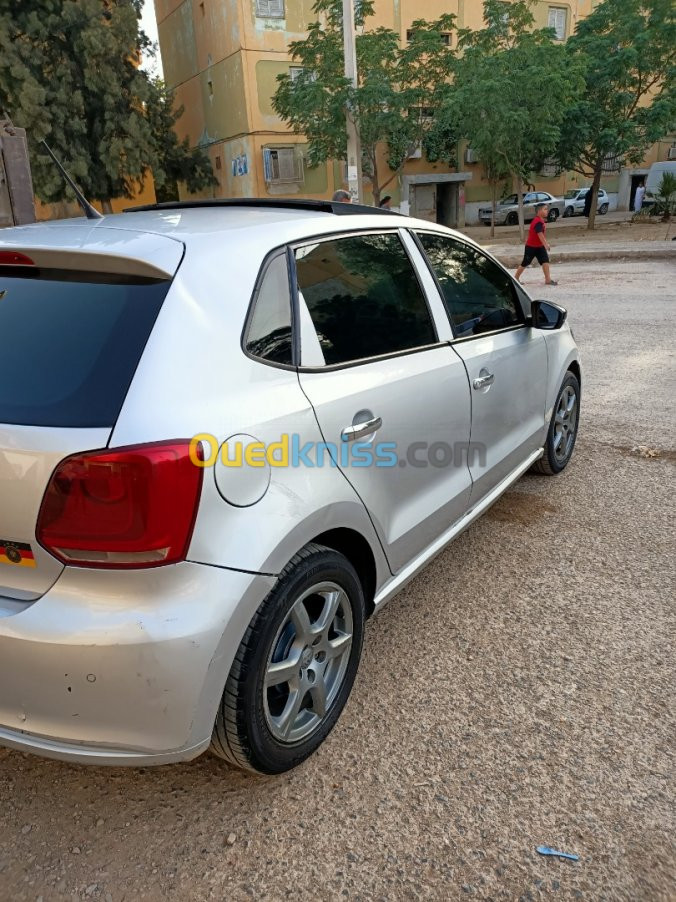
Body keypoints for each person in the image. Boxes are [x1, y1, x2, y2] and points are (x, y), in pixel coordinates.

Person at [514, 202, 557, 286]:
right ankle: (515, 278)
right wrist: (546, 244)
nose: (547, 211)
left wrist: (543, 245)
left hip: (539, 247)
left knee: (545, 261)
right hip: (531, 247)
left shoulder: (540, 220)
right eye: (545, 209)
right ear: (539, 211)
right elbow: (539, 234)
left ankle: (548, 280)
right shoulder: (537, 221)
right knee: (525, 263)